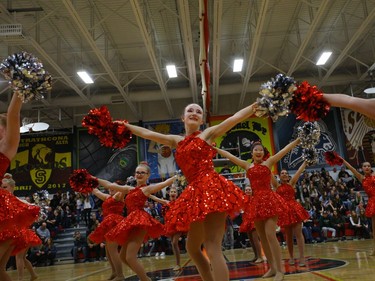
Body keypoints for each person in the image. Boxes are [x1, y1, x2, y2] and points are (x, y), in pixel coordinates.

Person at [114, 102, 257, 281]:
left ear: (202, 119)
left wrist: (253, 107)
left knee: (212, 246)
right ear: (183, 117)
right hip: (194, 194)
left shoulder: (207, 134)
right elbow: (148, 133)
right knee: (192, 248)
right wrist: (125, 126)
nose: (194, 113)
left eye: (199, 112)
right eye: (190, 110)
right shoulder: (176, 140)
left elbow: (234, 118)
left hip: (213, 190)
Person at [215, 138, 300, 281]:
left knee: (270, 234)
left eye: (261, 150)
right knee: (262, 238)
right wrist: (215, 149)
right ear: (252, 153)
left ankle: (280, 270)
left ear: (263, 152)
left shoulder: (269, 162)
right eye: (256, 150)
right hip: (256, 203)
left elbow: (284, 150)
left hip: (270, 200)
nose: (259, 152)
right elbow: (231, 157)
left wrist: (297, 141)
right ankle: (272, 268)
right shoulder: (247, 166)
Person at [98, 162, 176, 281]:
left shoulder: (147, 189)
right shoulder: (130, 189)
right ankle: (145, 278)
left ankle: (145, 279)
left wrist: (177, 176)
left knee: (129, 257)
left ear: (148, 175)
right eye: (137, 172)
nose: (139, 175)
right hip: (130, 221)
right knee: (123, 257)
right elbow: (109, 184)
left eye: (142, 173)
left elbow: (164, 183)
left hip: (140, 221)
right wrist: (93, 179)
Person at [274, 162, 310, 267]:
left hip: (294, 209)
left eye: (286, 173)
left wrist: (305, 162)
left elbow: (299, 171)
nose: (284, 174)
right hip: (284, 211)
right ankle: (291, 257)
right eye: (282, 173)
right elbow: (269, 174)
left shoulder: (292, 183)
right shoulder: (276, 185)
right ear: (279, 176)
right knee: (288, 236)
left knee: (298, 234)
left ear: (288, 175)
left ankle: (302, 257)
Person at [88, 187, 126, 280]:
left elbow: (124, 189)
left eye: (113, 188)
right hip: (107, 224)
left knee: (113, 250)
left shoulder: (119, 196)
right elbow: (96, 191)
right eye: (110, 188)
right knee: (108, 251)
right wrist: (89, 183)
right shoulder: (107, 197)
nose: (111, 189)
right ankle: (114, 272)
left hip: (115, 223)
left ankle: (120, 275)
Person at [341, 158, 375, 254]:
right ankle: (374, 249)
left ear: (371, 167)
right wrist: (343, 160)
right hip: (372, 202)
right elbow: (351, 168)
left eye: (368, 166)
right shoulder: (361, 178)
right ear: (362, 168)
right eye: (365, 166)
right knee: (374, 228)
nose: (367, 167)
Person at [239, 186, 263, 263]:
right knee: (251, 240)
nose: (248, 191)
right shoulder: (243, 199)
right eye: (246, 190)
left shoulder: (255, 199)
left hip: (254, 220)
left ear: (252, 191)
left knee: (255, 239)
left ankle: (260, 256)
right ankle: (256, 255)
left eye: (249, 190)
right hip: (246, 220)